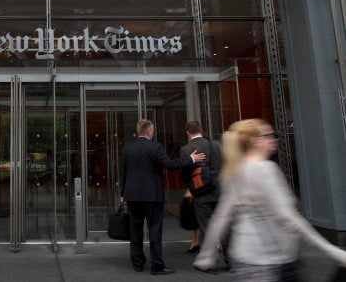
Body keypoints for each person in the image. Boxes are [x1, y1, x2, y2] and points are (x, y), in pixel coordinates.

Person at [194, 119, 346, 280]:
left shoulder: (235, 172)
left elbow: (221, 217)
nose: (275, 139)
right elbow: (289, 217)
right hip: (271, 260)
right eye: (270, 135)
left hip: (246, 259)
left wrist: (206, 254)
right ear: (256, 141)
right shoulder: (264, 170)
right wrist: (332, 251)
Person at [120, 119, 205, 275]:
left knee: (135, 231)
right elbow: (171, 165)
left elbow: (124, 173)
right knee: (154, 231)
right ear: (149, 132)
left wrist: (123, 195)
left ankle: (137, 263)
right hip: (152, 196)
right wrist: (191, 159)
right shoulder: (155, 147)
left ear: (139, 131)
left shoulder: (127, 149)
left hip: (132, 196)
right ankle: (157, 266)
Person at [179, 121, 222, 249]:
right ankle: (229, 258)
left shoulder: (185, 149)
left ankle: (211, 258)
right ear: (201, 130)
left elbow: (184, 174)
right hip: (218, 190)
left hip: (200, 193)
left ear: (187, 132)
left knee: (205, 226)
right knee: (222, 225)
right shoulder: (215, 145)